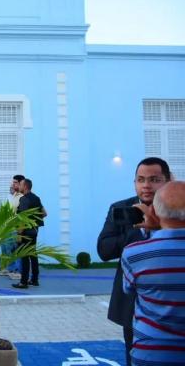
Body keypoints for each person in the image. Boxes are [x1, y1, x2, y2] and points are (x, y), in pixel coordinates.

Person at [97, 157, 171, 366]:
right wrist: (138, 230)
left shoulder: (177, 210)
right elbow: (104, 250)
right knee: (134, 354)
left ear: (167, 180)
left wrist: (161, 228)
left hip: (173, 300)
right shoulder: (121, 209)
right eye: (140, 179)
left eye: (154, 179)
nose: (146, 185)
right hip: (132, 301)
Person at [121, 181, 185, 366]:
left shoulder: (134, 254)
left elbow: (129, 291)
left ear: (154, 213)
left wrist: (153, 232)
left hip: (152, 354)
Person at [12, 178, 46, 289]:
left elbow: (22, 219)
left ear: (25, 186)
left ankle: (23, 282)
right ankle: (35, 280)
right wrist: (34, 220)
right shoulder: (36, 198)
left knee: (25, 257)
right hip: (34, 231)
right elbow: (44, 213)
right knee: (33, 255)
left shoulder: (24, 199)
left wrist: (19, 235)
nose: (19, 186)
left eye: (20, 184)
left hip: (25, 232)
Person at [0, 174, 24, 279]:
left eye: (15, 182)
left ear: (20, 183)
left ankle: (17, 270)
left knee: (14, 249)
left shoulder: (22, 197)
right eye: (12, 182)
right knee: (5, 247)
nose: (12, 184)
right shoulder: (12, 196)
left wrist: (20, 230)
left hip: (15, 227)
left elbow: (22, 214)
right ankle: (9, 268)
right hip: (7, 226)